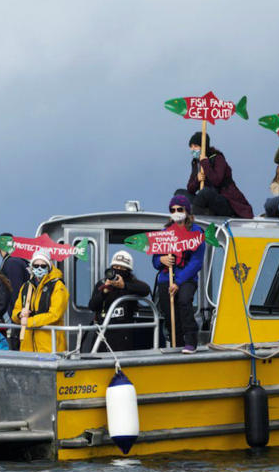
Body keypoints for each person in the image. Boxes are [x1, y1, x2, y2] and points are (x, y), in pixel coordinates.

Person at [153, 195, 205, 354]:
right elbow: (155, 262)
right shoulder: (164, 232)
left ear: (187, 211)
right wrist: (161, 259)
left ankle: (191, 340)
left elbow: (196, 262)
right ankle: (177, 346)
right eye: (173, 210)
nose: (176, 212)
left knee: (184, 301)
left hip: (186, 279)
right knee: (169, 314)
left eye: (179, 209)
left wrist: (178, 282)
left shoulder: (196, 232)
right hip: (165, 278)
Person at [179, 132, 254, 219]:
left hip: (225, 203)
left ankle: (191, 216)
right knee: (180, 193)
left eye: (196, 146)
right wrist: (197, 180)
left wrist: (205, 163)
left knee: (205, 192)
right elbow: (190, 188)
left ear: (204, 147)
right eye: (191, 146)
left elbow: (216, 181)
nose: (192, 149)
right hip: (207, 203)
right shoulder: (196, 163)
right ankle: (206, 212)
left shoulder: (218, 158)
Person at [87, 251, 151, 352]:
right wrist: (104, 292)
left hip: (123, 333)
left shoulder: (130, 283)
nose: (118, 270)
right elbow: (92, 306)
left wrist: (124, 286)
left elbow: (146, 289)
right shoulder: (102, 283)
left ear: (128, 270)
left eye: (122, 268)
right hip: (102, 331)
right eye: (115, 267)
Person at [12, 250, 68, 353]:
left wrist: (30, 321)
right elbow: (15, 311)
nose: (39, 268)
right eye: (36, 265)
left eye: (43, 266)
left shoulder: (58, 286)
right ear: (32, 267)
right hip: (27, 347)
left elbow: (55, 315)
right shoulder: (26, 286)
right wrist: (20, 315)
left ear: (49, 266)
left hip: (50, 347)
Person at [0, 232, 30, 350]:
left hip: (20, 317)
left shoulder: (11, 263)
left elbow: (17, 292)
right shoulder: (20, 260)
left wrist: (18, 315)